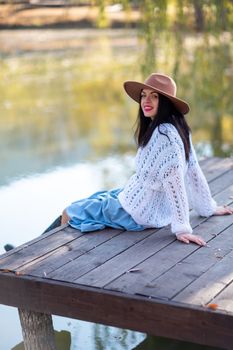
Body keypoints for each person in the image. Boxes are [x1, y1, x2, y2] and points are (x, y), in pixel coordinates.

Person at [4, 73, 232, 252]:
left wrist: (182, 228)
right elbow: (194, 170)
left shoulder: (164, 137)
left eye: (155, 96)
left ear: (166, 102)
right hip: (138, 201)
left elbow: (175, 181)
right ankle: (29, 246)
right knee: (96, 197)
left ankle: (30, 254)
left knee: (70, 211)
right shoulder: (178, 129)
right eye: (144, 95)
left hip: (137, 213)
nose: (147, 101)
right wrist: (208, 208)